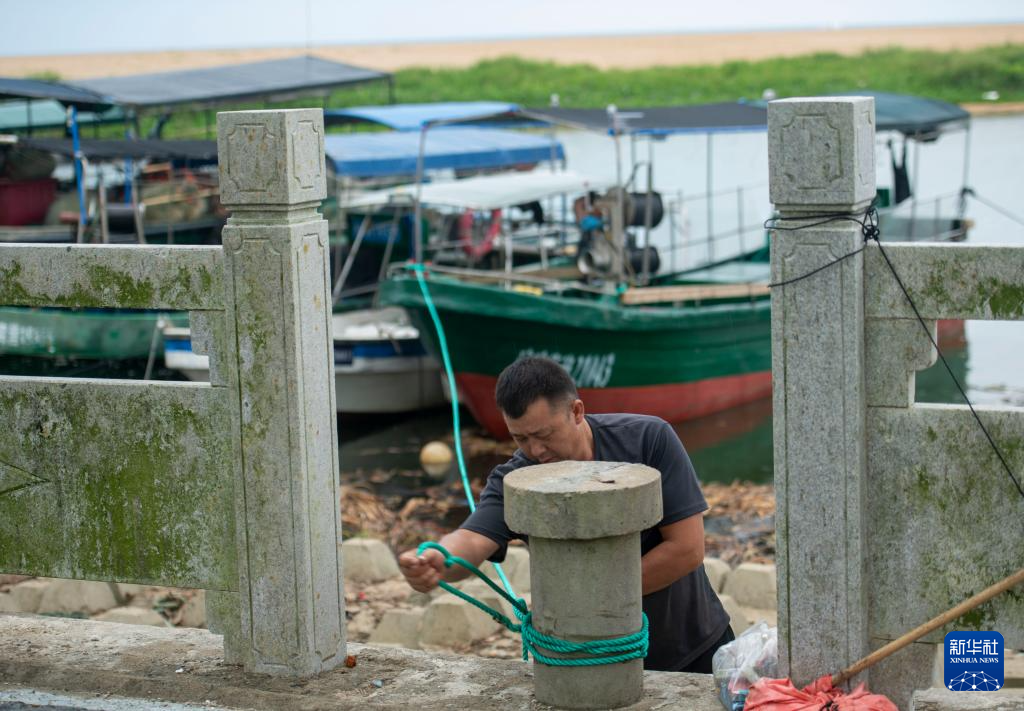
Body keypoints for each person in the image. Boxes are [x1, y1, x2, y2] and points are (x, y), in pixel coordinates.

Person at [398, 356, 733, 673]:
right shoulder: (515, 480)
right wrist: (438, 562)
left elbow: (687, 549)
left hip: (692, 646)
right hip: (584, 662)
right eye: (520, 438)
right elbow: (471, 539)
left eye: (544, 435)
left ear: (576, 411)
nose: (536, 451)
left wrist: (587, 598)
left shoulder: (648, 440)